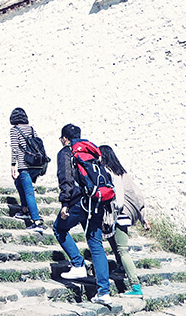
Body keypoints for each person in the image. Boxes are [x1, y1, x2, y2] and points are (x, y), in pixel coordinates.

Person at [53, 124, 111, 306]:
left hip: (79, 201)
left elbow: (66, 178)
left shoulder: (67, 152)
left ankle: (78, 264)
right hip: (97, 200)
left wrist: (65, 203)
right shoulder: (91, 151)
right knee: (95, 243)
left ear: (65, 138)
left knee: (58, 228)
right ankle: (104, 292)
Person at [99, 144, 149, 298]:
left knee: (122, 249)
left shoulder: (111, 173)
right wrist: (143, 216)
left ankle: (135, 286)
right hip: (125, 216)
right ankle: (120, 266)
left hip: (119, 215)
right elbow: (138, 195)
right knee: (113, 241)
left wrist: (115, 209)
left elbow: (119, 200)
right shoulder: (122, 172)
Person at [9, 107, 44, 231]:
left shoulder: (14, 130)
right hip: (36, 165)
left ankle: (37, 221)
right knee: (19, 183)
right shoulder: (31, 129)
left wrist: (13, 165)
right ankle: (24, 209)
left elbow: (14, 148)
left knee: (29, 192)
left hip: (24, 165)